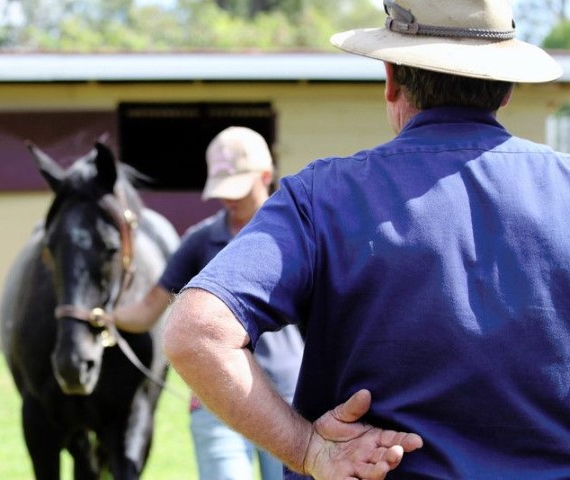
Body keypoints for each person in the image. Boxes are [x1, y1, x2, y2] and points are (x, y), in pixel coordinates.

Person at [162, 0, 570, 478]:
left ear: (391, 78)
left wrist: (307, 449)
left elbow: (196, 332)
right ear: (506, 89)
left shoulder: (323, 196)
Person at [110, 126, 304, 480]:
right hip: (217, 403)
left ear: (265, 175)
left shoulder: (299, 235)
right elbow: (149, 308)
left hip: (290, 403)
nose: (228, 199)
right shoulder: (200, 241)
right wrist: (101, 316)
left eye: (238, 189)